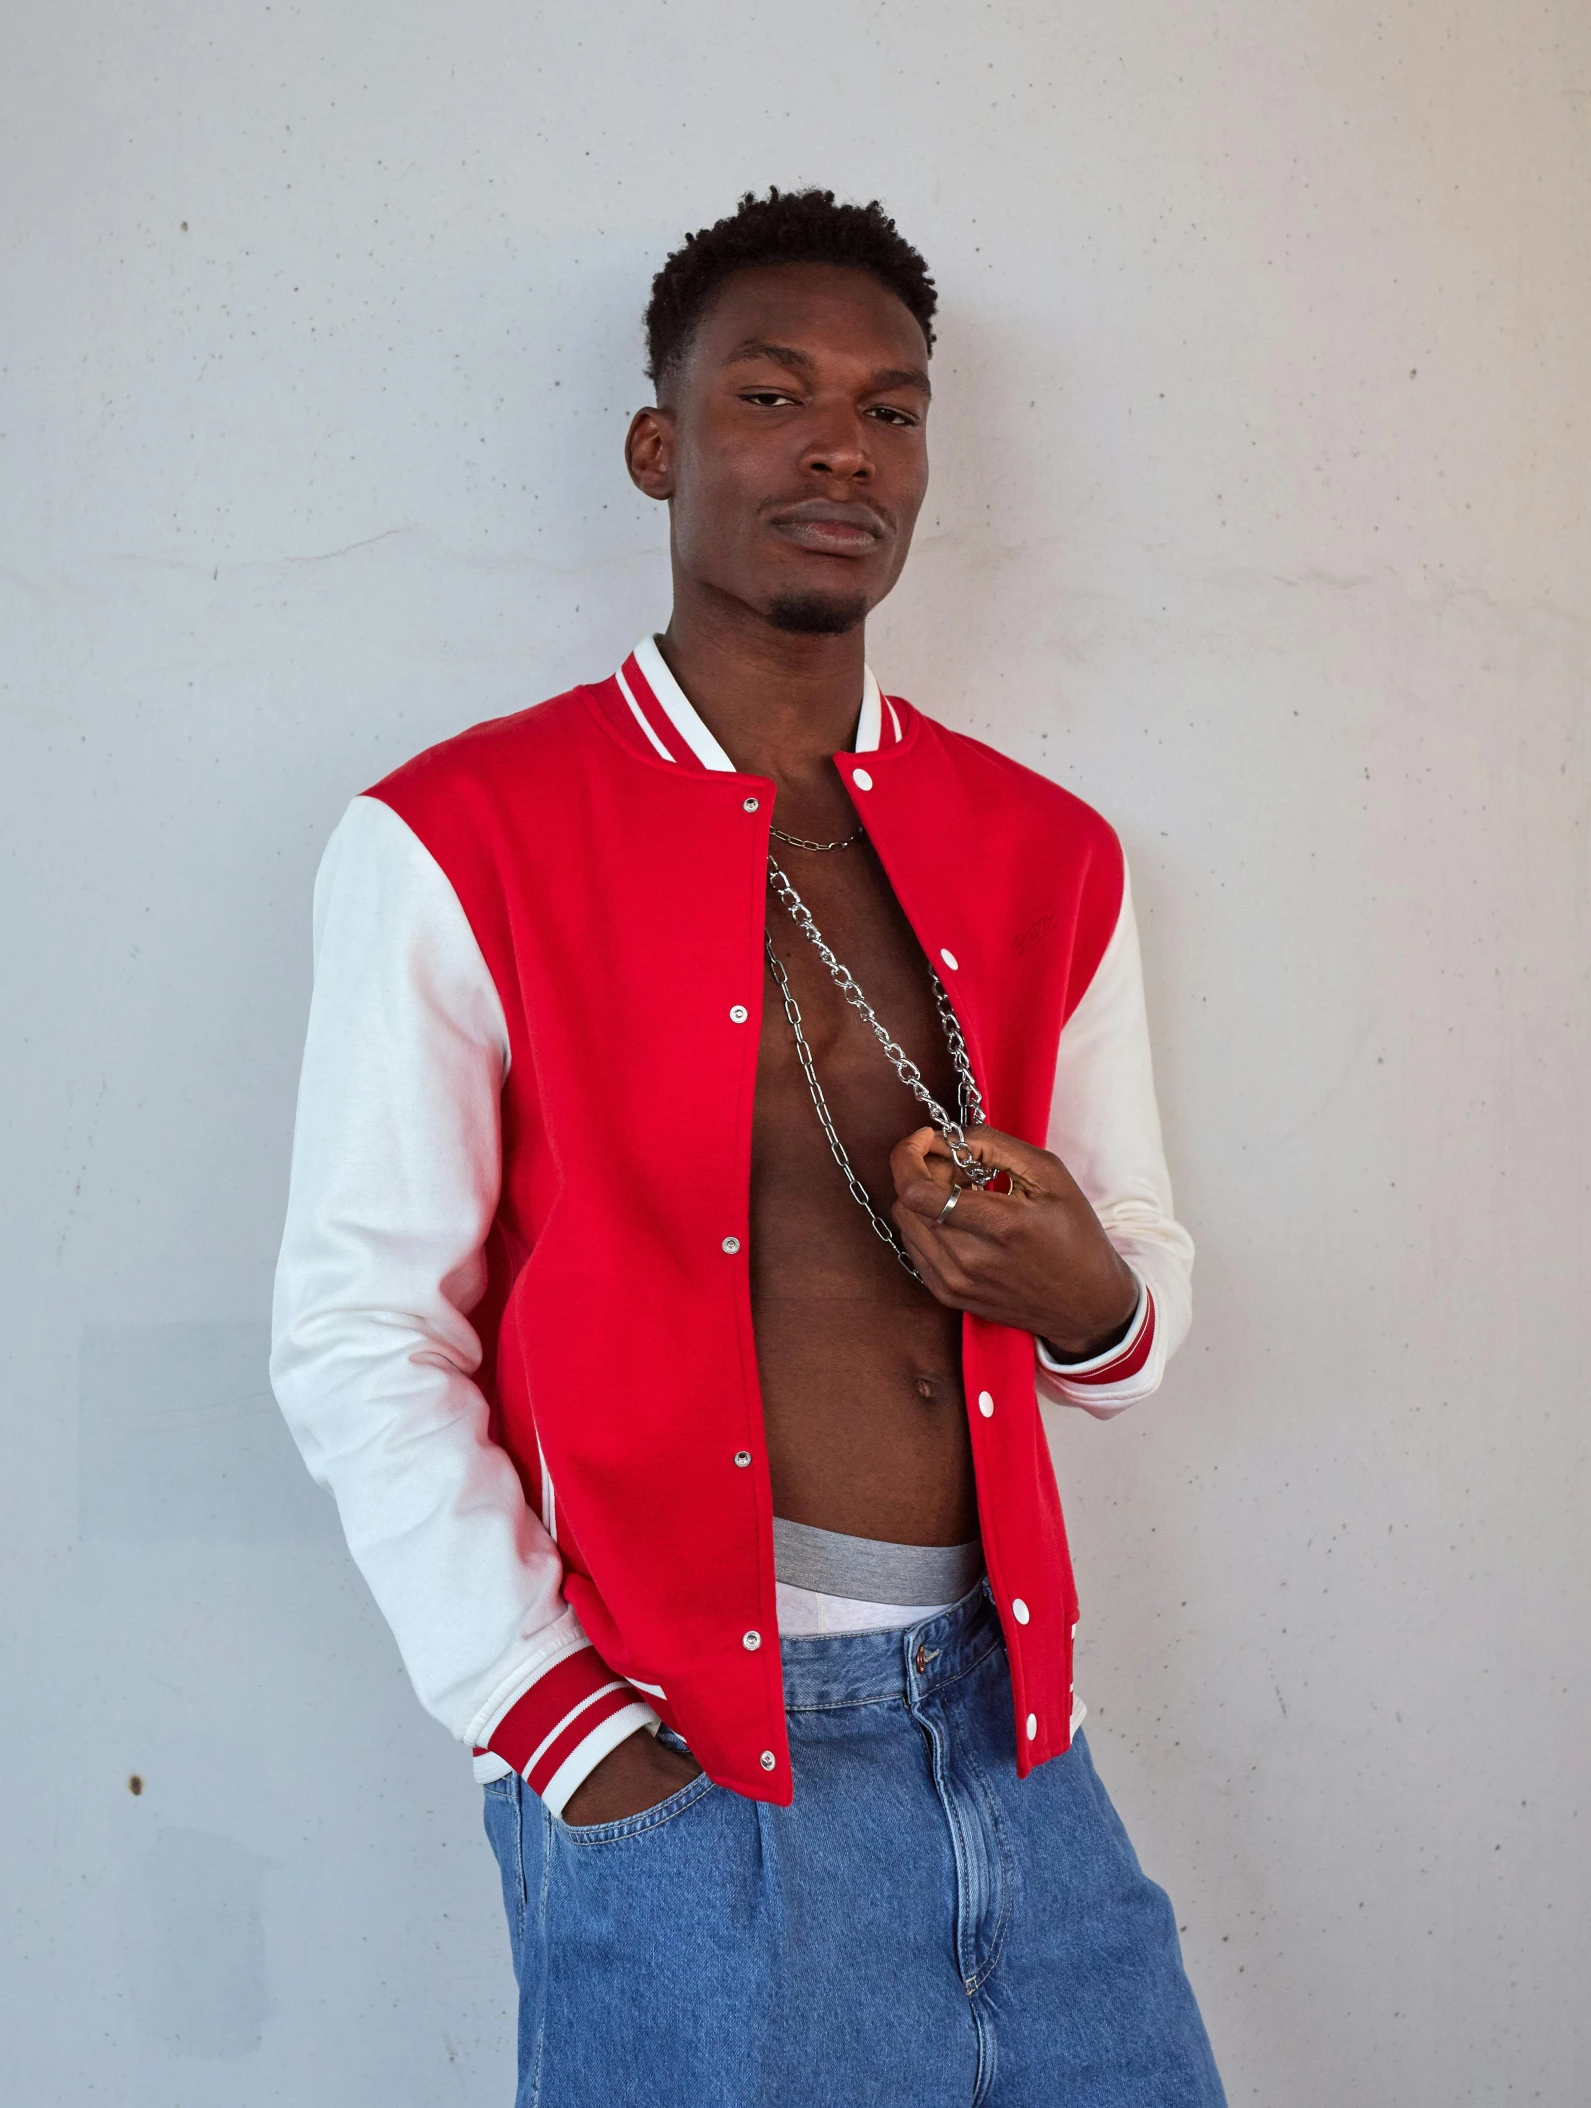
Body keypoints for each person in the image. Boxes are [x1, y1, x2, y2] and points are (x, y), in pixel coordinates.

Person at [272, 187, 1226, 2106]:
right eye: (770, 394)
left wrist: (1086, 1290)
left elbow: (1133, 1284)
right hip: (688, 1758)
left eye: (890, 408)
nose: (837, 448)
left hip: (1018, 1741)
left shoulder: (1050, 849)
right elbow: (360, 1329)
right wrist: (566, 1733)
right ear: (659, 444)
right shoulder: (460, 833)